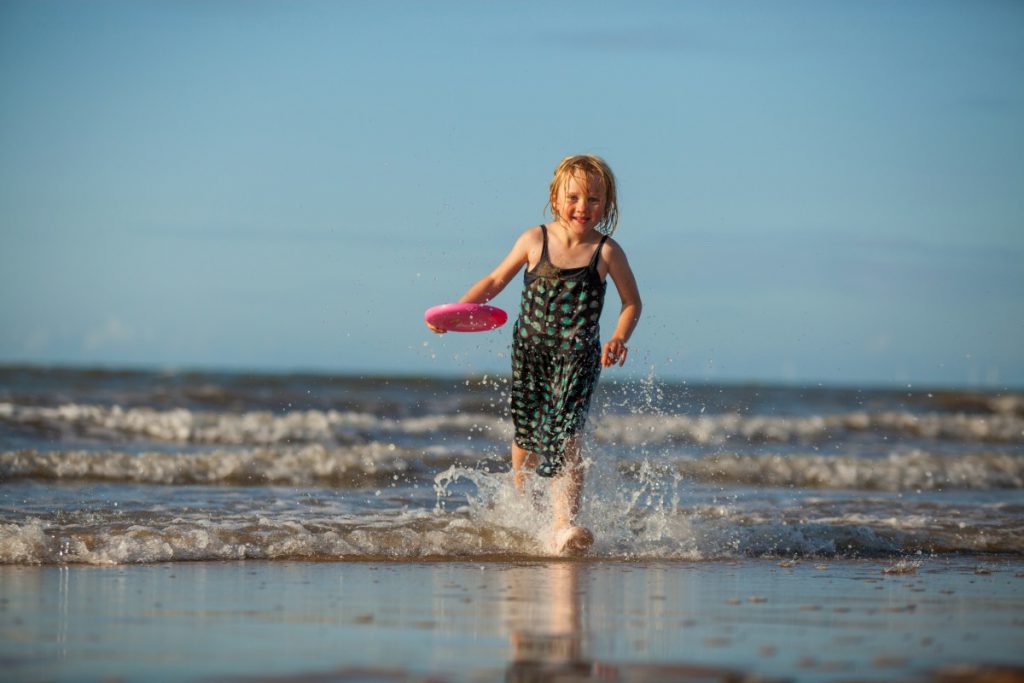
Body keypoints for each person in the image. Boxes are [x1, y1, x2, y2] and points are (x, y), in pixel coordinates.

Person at [427, 154, 642, 554]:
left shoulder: (607, 252)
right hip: (530, 353)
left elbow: (632, 302)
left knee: (567, 436)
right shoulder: (534, 240)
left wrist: (618, 337)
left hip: (578, 357)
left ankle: (565, 525)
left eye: (595, 199)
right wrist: (457, 314)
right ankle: (525, 507)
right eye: (574, 197)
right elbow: (494, 280)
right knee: (526, 435)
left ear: (607, 205)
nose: (583, 207)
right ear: (555, 198)